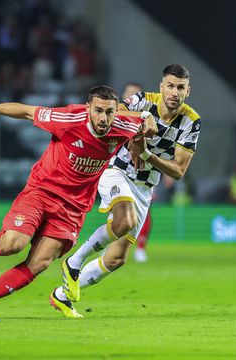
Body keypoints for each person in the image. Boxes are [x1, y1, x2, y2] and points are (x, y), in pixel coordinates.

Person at [0, 85, 157, 321]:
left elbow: (144, 125)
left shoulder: (123, 124)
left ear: (116, 112)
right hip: (42, 191)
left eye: (109, 112)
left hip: (73, 208)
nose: (104, 118)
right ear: (88, 109)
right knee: (13, 244)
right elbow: (26, 112)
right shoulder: (69, 118)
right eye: (98, 111)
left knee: (40, 262)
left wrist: (142, 135)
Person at [53, 64, 202, 309]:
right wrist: (140, 125)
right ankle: (74, 262)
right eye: (171, 86)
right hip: (116, 171)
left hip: (145, 188)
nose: (175, 92)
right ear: (161, 86)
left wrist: (145, 154)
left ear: (188, 91)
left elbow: (178, 170)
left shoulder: (191, 122)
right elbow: (116, 112)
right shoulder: (143, 101)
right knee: (126, 221)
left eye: (181, 88)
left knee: (116, 259)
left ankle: (61, 294)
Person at [121, 81, 152, 263]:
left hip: (143, 171)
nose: (130, 98)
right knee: (117, 210)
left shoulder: (148, 119)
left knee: (144, 212)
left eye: (134, 95)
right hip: (119, 169)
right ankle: (110, 244)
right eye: (128, 94)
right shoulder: (114, 116)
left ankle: (140, 247)